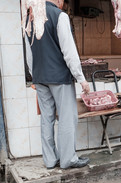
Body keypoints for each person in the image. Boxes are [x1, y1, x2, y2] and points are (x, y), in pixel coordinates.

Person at [25, 0, 90, 169]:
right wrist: (81, 78)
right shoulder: (59, 16)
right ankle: (68, 159)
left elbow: (29, 53)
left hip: (40, 78)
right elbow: (69, 51)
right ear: (59, 1)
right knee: (67, 118)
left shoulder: (30, 17)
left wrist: (35, 75)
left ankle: (50, 160)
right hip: (60, 77)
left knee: (46, 119)